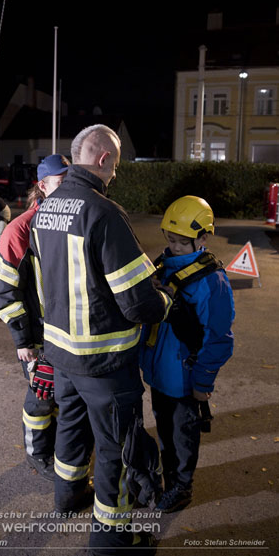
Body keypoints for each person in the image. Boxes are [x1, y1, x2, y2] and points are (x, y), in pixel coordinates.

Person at [29, 125, 173, 556]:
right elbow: (138, 302)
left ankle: (67, 497)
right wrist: (165, 301)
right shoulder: (103, 212)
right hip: (104, 362)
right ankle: (113, 540)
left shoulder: (46, 208)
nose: (114, 176)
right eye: (116, 166)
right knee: (116, 451)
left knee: (71, 432)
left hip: (60, 353)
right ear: (105, 159)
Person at [140, 195, 235, 513]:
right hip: (159, 373)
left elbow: (219, 339)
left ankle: (182, 488)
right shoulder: (164, 266)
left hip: (184, 378)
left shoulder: (212, 282)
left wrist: (203, 382)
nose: (174, 247)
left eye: (183, 242)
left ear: (203, 238)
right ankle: (170, 479)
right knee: (165, 431)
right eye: (171, 240)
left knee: (183, 437)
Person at [0, 154, 70, 481]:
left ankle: (59, 450)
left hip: (68, 335)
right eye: (62, 183)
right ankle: (37, 454)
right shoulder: (19, 230)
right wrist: (22, 341)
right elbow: (5, 292)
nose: (69, 191)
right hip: (38, 339)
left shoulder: (72, 222)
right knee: (41, 397)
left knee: (64, 397)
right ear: (43, 186)